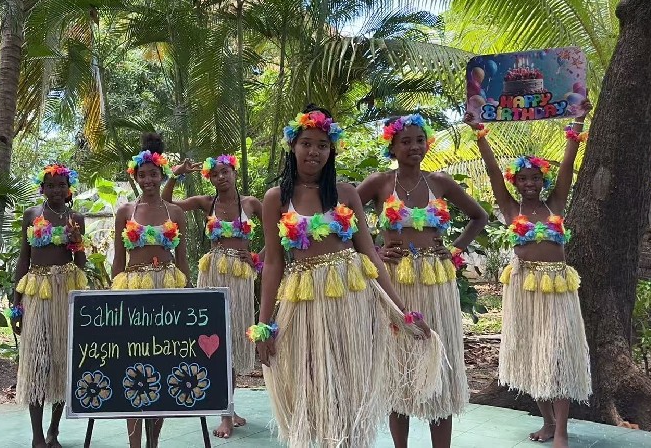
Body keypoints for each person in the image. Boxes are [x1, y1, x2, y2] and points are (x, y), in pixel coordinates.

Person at [254, 105, 435, 448]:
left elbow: (370, 255)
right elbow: (274, 263)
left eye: (323, 145)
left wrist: (402, 310)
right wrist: (265, 325)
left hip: (350, 296)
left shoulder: (346, 193)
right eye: (307, 143)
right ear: (293, 146)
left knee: (350, 384)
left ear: (331, 149)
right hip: (304, 301)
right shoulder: (276, 198)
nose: (314, 151)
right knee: (313, 382)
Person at [357, 114, 488, 448]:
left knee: (438, 366)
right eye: (406, 141)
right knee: (398, 365)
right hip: (396, 282)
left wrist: (455, 249)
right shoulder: (379, 182)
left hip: (436, 283)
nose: (415, 147)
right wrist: (372, 248)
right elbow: (340, 216)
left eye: (419, 140)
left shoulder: (440, 182)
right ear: (393, 146)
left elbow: (479, 216)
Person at [464, 104, 592, 448]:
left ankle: (562, 430)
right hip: (523, 286)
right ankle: (548, 422)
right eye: (524, 178)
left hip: (558, 286)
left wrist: (577, 120)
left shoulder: (556, 204)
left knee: (559, 354)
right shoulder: (510, 208)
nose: (530, 183)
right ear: (515, 182)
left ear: (543, 180)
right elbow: (491, 171)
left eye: (535, 177)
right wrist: (479, 131)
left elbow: (567, 165)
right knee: (531, 352)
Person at [162, 154, 263, 438]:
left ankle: (228, 408)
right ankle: (225, 413)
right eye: (215, 174)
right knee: (217, 341)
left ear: (233, 172)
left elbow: (281, 229)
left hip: (241, 277)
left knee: (232, 342)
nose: (221, 177)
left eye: (225, 171)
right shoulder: (208, 203)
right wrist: (175, 174)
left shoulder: (251, 203)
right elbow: (168, 205)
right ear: (210, 178)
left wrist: (258, 258)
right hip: (214, 275)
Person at [112, 133, 189, 448]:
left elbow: (183, 263)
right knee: (134, 366)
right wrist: (112, 301)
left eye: (153, 174)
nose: (148, 180)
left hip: (168, 289)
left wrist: (188, 301)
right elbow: (118, 261)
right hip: (133, 291)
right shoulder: (124, 212)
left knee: (162, 365)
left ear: (162, 175)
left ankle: (154, 442)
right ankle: (134, 445)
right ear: (135, 175)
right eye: (142, 175)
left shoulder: (176, 212)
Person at [14, 162, 89, 448]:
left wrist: (77, 241)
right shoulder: (31, 215)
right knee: (37, 363)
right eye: (50, 185)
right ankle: (36, 435)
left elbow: (80, 265)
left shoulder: (76, 218)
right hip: (37, 291)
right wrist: (16, 303)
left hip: (66, 291)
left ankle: (53, 432)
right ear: (42, 188)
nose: (56, 190)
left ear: (68, 188)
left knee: (61, 361)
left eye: (61, 185)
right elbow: (24, 259)